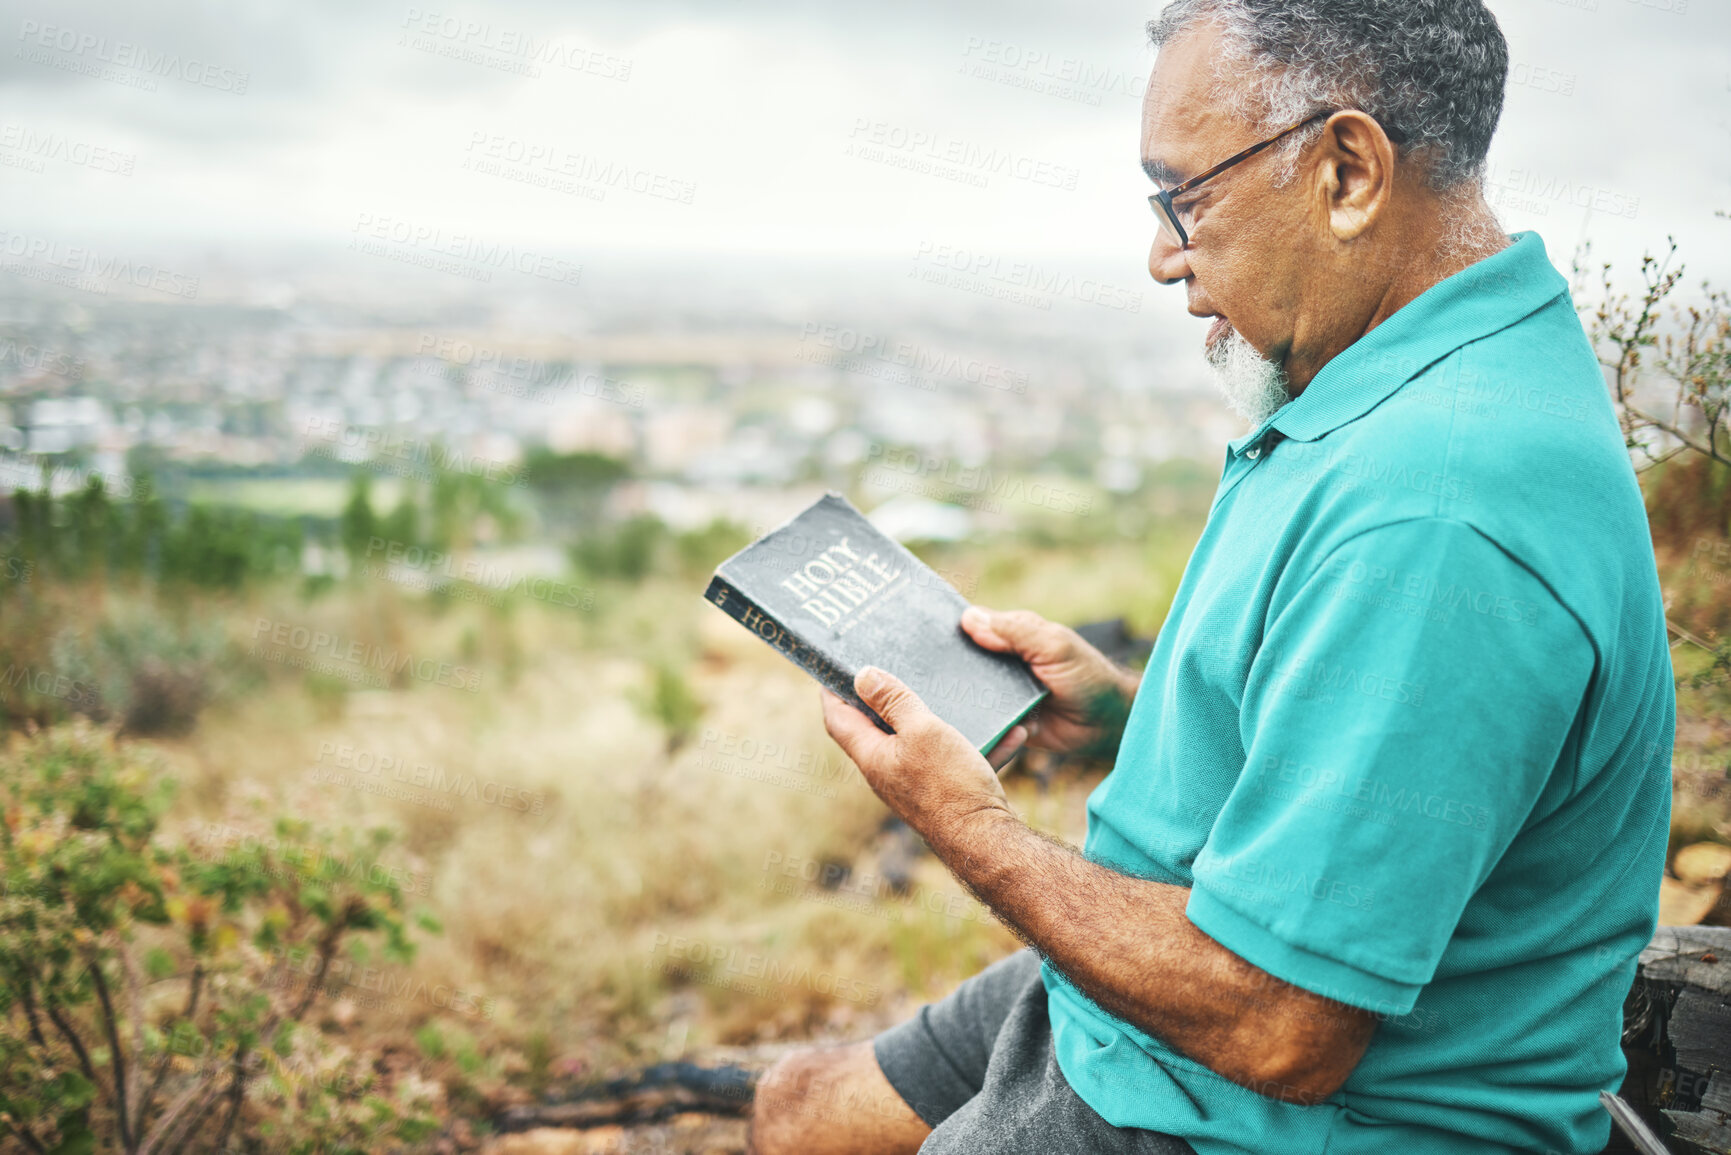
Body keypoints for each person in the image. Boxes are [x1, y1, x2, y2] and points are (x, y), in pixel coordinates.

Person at [748, 1, 1675, 1152]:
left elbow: (1280, 1027)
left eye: (1185, 197)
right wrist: (1118, 729)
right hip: (1159, 999)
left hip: (1249, 1109)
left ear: (1346, 171)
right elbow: (1358, 750)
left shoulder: (1438, 510)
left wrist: (968, 827)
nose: (1161, 256)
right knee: (798, 1111)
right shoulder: (1400, 372)